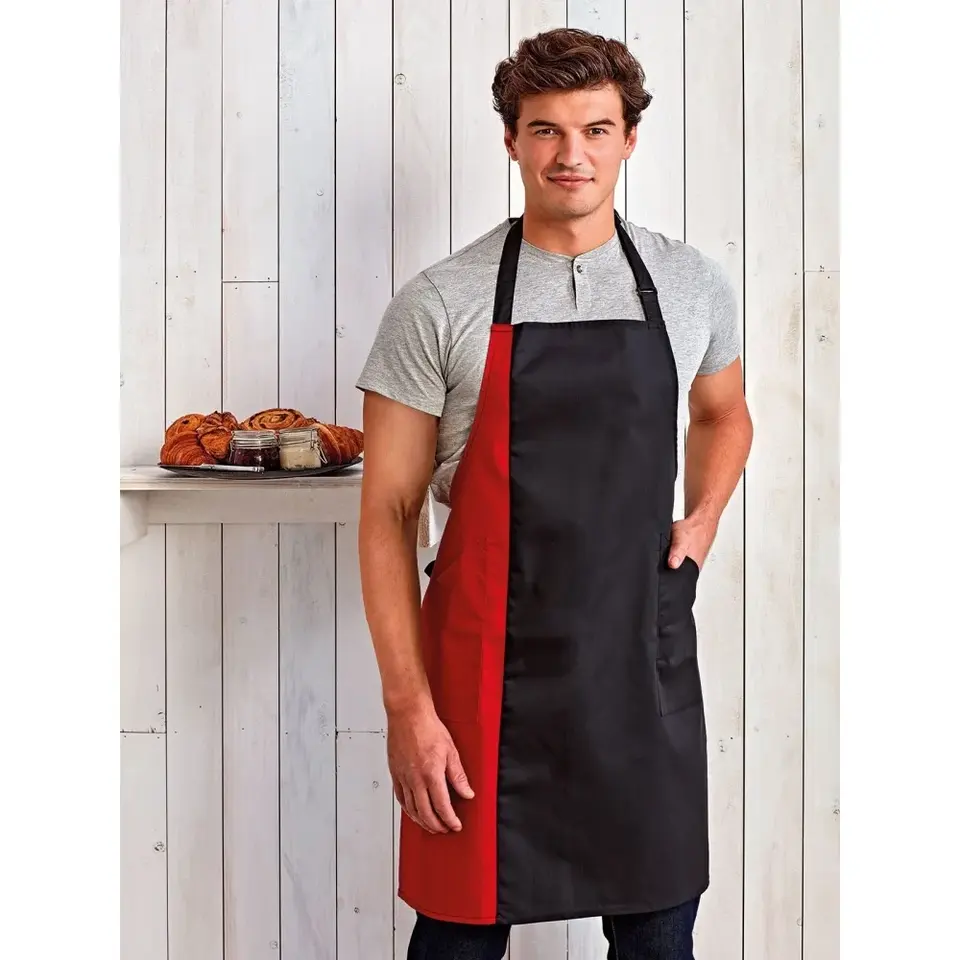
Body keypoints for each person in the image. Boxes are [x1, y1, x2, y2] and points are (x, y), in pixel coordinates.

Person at [356, 27, 753, 960]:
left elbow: (724, 413)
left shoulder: (689, 284)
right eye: (545, 130)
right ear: (511, 140)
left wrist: (701, 520)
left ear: (629, 139)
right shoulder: (440, 302)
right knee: (456, 943)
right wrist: (408, 710)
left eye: (595, 129)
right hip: (480, 678)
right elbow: (387, 514)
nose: (571, 154)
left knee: (658, 939)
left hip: (639, 666)